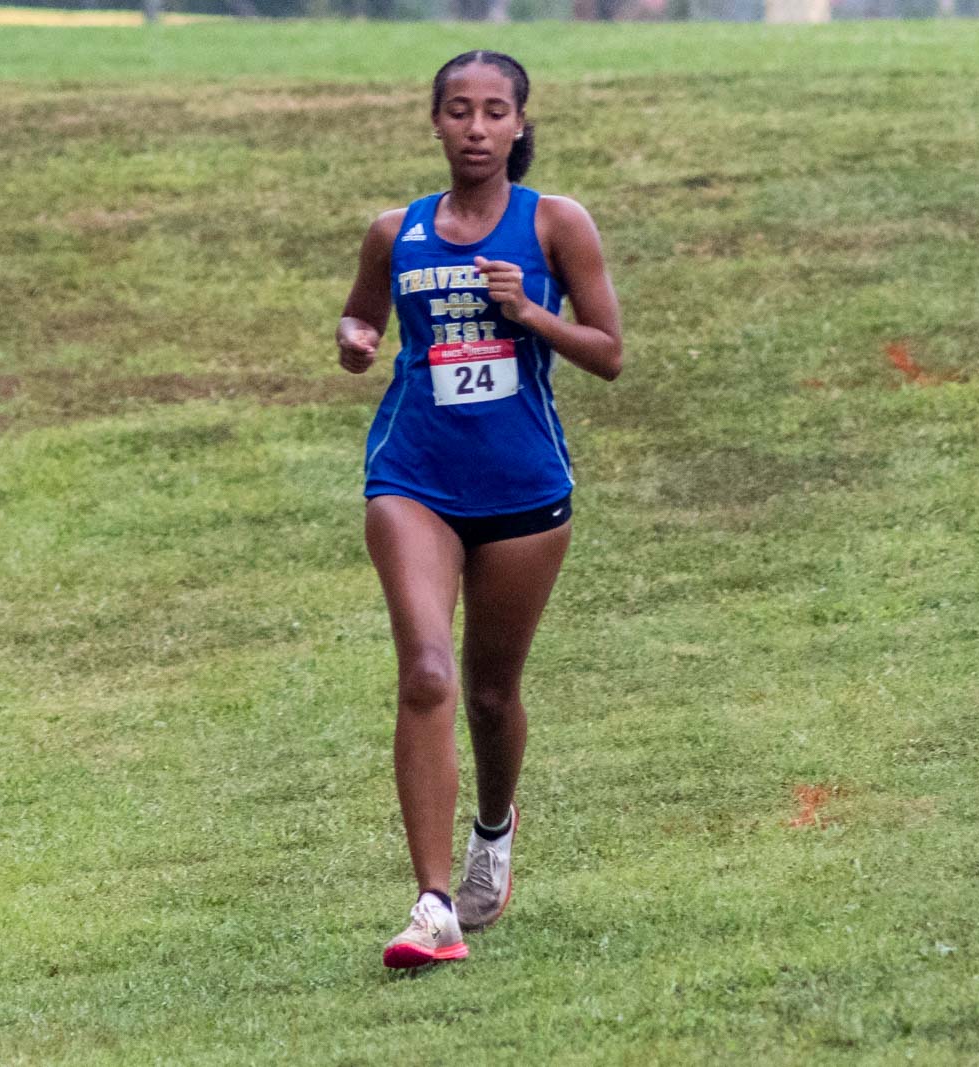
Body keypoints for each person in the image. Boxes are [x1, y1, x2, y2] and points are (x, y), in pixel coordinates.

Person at [335, 50, 624, 969]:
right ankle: (432, 907)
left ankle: (493, 831)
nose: (476, 127)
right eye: (458, 110)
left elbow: (610, 352)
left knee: (493, 693)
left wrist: (530, 314)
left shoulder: (555, 224)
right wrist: (354, 337)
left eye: (495, 111)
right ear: (435, 121)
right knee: (426, 671)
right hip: (413, 478)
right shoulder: (396, 232)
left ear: (520, 124)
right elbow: (360, 322)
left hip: (524, 488)